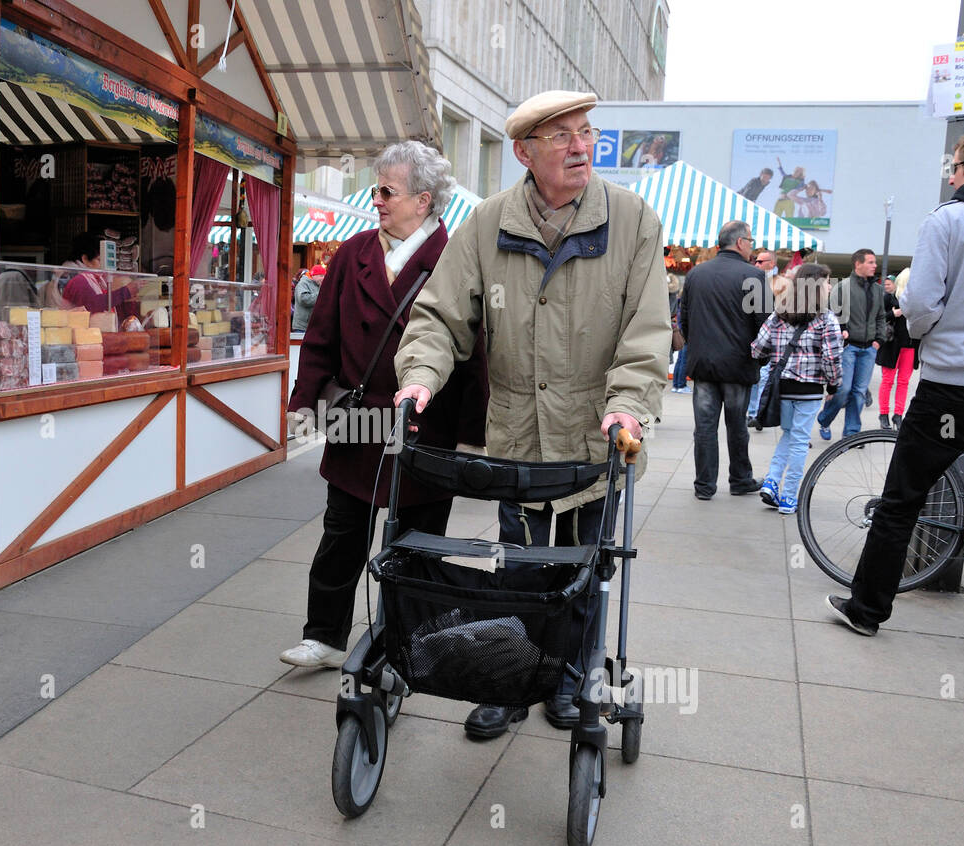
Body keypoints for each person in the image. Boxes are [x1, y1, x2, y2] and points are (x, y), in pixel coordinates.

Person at [392, 89, 669, 738]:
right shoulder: (487, 223)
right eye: (561, 135)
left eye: (586, 131)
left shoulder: (632, 221)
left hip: (597, 439)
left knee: (585, 568)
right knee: (518, 567)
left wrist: (627, 405)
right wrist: (420, 378)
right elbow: (437, 316)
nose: (581, 145)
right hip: (515, 440)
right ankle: (514, 681)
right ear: (523, 151)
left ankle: (571, 678)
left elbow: (648, 330)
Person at [280, 141, 488, 669]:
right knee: (341, 533)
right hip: (357, 419)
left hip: (424, 423)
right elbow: (321, 335)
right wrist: (304, 401)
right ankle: (324, 638)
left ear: (423, 199)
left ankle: (409, 645)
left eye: (386, 191)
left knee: (417, 544)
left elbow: (475, 354)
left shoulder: (453, 259)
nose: (376, 200)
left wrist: (472, 437)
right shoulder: (352, 254)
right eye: (377, 189)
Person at [827, 127, 964, 663]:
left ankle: (867, 609)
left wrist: (927, 328)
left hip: (952, 384)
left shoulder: (949, 220)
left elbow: (921, 303)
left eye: (954, 167)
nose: (950, 177)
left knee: (901, 501)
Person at [682, 221, 768, 499]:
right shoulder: (753, 275)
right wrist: (760, 358)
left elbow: (684, 320)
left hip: (704, 364)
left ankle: (704, 485)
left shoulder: (696, 274)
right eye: (751, 241)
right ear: (741, 242)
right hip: (738, 363)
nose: (752, 247)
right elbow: (763, 323)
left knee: (704, 428)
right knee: (737, 425)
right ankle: (740, 479)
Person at [751, 264, 842, 513]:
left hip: (782, 387)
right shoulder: (826, 319)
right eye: (826, 282)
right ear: (815, 287)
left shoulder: (779, 313)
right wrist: (834, 383)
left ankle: (771, 481)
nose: (830, 286)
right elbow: (832, 358)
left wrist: (776, 356)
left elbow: (757, 348)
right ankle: (790, 496)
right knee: (801, 440)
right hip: (809, 388)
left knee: (789, 434)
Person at [816, 249, 887, 440]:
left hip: (869, 348)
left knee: (859, 393)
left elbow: (881, 317)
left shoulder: (878, 290)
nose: (874, 266)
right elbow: (832, 316)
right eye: (870, 262)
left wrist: (879, 340)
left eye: (874, 262)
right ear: (858, 264)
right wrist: (843, 337)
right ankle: (824, 419)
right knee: (843, 390)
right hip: (848, 347)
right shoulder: (842, 287)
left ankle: (851, 434)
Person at [59, 231, 137, 320]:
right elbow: (93, 304)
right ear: (85, 259)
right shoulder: (77, 279)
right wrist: (126, 292)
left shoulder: (96, 279)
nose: (103, 266)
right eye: (99, 260)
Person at [875, 272, 916, 430]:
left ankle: (898, 414)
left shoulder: (915, 302)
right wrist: (893, 313)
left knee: (904, 382)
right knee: (888, 381)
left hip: (910, 346)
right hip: (892, 346)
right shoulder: (889, 298)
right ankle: (883, 414)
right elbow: (877, 318)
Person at [746, 248, 779, 422]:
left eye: (760, 261)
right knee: (756, 377)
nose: (756, 264)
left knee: (765, 376)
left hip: (774, 338)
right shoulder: (753, 281)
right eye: (756, 261)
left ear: (771, 263)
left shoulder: (781, 284)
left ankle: (758, 412)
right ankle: (753, 412)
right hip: (757, 338)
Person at [291, 264, 326, 333]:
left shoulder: (318, 284)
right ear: (313, 275)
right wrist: (321, 295)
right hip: (302, 327)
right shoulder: (303, 284)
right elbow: (304, 299)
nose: (323, 278)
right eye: (321, 276)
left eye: (324, 276)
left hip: (314, 326)